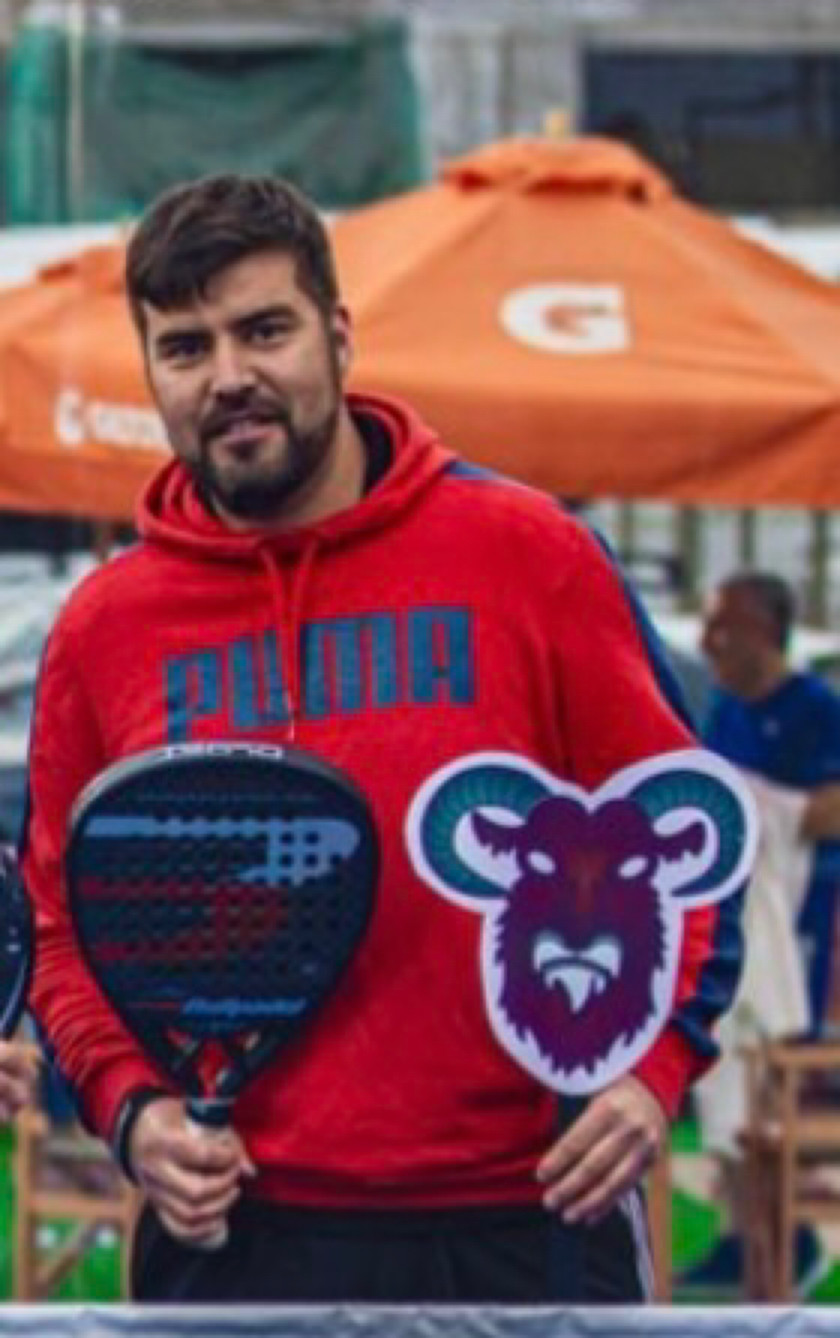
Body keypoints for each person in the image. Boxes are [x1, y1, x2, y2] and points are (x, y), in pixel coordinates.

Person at [21, 173, 745, 1304]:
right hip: (237, 1234)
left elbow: (683, 837)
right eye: (186, 348)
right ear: (152, 372)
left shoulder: (530, 555)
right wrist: (133, 1108)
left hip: (532, 1216)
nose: (229, 377)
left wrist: (651, 1071)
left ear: (340, 335)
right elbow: (59, 922)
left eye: (265, 330)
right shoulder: (104, 629)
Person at [681, 570, 840, 1294]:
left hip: (799, 920)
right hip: (731, 921)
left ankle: (791, 1233)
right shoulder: (724, 712)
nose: (710, 641)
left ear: (765, 632)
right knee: (728, 1072)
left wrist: (765, 810)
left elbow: (828, 810)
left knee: (773, 1076)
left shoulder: (815, 710)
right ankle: (742, 1230)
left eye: (725, 626)